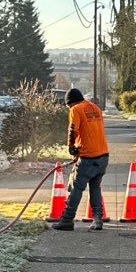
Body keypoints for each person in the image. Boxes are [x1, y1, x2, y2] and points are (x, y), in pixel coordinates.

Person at [49, 87, 108, 232]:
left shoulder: (75, 109)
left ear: (70, 103)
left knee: (77, 188)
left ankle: (67, 220)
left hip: (88, 157)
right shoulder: (95, 108)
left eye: (68, 106)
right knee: (95, 187)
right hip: (103, 155)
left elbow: (72, 129)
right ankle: (97, 219)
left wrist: (71, 147)